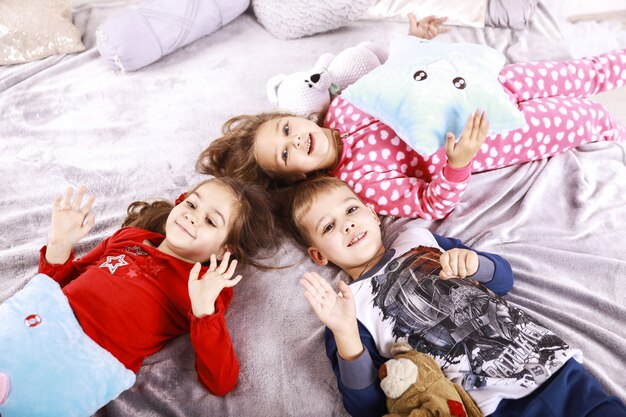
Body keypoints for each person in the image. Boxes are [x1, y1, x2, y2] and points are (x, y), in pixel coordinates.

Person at [196, 18, 626, 220]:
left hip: (477, 83)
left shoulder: (344, 102)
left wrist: (413, 42)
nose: (297, 140)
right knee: (585, 116)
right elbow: (429, 204)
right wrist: (458, 165)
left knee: (581, 72)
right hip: (488, 137)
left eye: (287, 129)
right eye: (286, 154)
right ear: (296, 179)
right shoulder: (360, 183)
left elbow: (396, 73)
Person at [288, 176, 626, 417]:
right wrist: (346, 336)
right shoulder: (345, 307)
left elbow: (503, 279)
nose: (346, 225)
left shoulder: (417, 238)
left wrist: (475, 264)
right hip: (490, 403)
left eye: (350, 210)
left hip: (548, 364)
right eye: (328, 227)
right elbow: (367, 406)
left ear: (373, 214)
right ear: (319, 256)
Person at [0, 177, 279, 414]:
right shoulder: (129, 237)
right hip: (41, 324)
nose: (192, 215)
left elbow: (220, 381)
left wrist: (205, 308)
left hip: (83, 362)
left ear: (223, 250)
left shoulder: (203, 286)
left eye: (210, 220)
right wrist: (59, 244)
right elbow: (55, 289)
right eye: (192, 204)